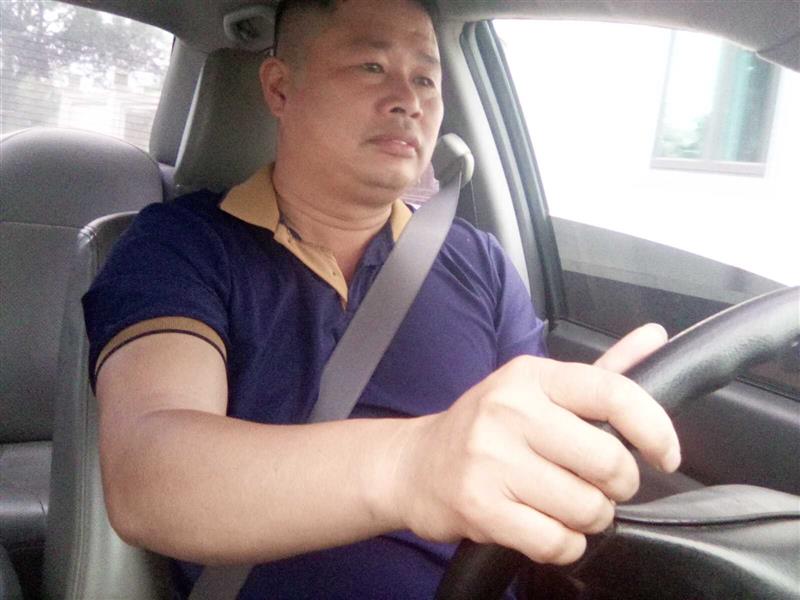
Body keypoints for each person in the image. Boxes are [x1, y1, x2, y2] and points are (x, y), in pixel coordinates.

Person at [83, 0, 681, 597]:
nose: (408, 100)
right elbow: (148, 475)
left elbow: (525, 462)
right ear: (281, 89)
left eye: (425, 78)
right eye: (372, 66)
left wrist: (576, 449)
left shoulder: (481, 264)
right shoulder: (180, 245)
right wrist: (412, 465)